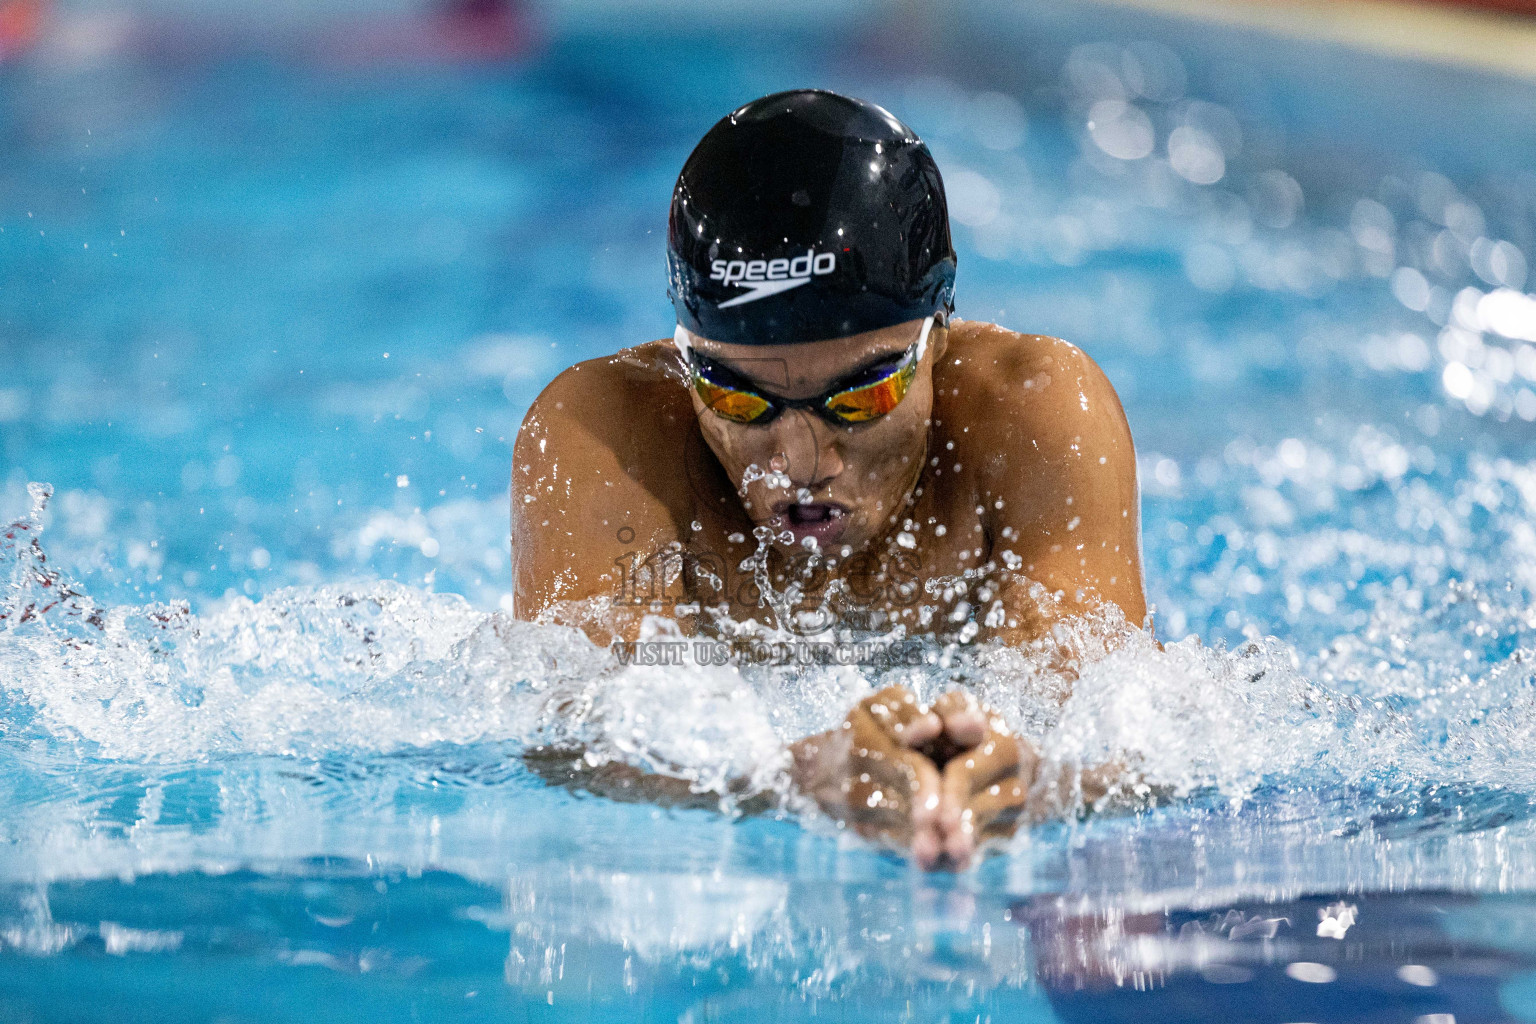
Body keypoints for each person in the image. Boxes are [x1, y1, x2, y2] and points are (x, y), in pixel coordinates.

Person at [511, 89, 1146, 869]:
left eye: (862, 395)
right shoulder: (602, 437)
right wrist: (795, 776)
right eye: (736, 398)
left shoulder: (1035, 415)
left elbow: (1111, 718)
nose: (800, 461)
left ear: (938, 336)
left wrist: (1034, 778)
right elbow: (573, 738)